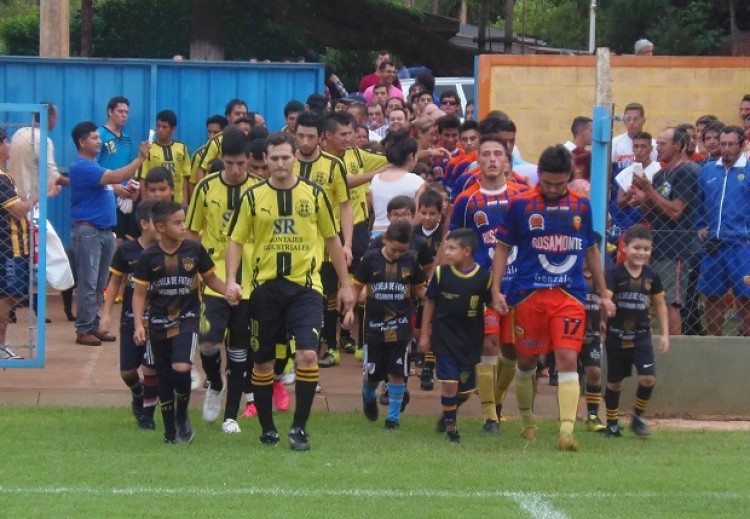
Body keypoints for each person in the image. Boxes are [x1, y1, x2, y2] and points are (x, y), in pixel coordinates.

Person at [224, 131, 355, 451]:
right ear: (265, 160)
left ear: (295, 157)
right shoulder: (253, 197)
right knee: (263, 364)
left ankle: (298, 428)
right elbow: (235, 240)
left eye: (286, 157)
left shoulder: (314, 194)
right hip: (264, 290)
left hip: (306, 288)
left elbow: (332, 239)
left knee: (308, 355)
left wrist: (346, 284)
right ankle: (268, 428)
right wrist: (230, 280)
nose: (280, 163)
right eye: (274, 158)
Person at [491, 144, 615, 452]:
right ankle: (527, 422)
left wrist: (604, 293)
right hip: (528, 295)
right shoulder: (520, 205)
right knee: (526, 360)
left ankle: (566, 432)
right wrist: (495, 289)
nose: (553, 189)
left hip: (569, 295)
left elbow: (591, 249)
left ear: (569, 178)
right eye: (547, 183)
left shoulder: (581, 206)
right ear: (539, 176)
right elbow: (503, 247)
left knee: (568, 357)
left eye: (560, 184)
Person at [186, 127, 267, 434]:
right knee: (208, 342)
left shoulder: (260, 188)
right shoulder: (205, 187)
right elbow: (192, 232)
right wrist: (191, 271)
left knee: (239, 351)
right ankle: (214, 383)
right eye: (229, 163)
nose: (235, 170)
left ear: (249, 159)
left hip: (250, 281)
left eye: (240, 163)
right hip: (213, 278)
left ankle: (230, 416)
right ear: (221, 158)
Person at [132, 201, 227, 444]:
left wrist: (228, 291)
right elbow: (139, 294)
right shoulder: (148, 257)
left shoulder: (194, 249)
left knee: (182, 368)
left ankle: (182, 415)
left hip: (188, 319)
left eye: (184, 221)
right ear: (161, 227)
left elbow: (211, 279)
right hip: (158, 322)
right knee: (164, 377)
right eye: (177, 223)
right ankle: (169, 431)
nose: (184, 227)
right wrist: (139, 325)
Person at [449, 135, 526, 433]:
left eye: (498, 154)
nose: (492, 159)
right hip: (482, 285)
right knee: (489, 343)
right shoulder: (466, 200)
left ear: (507, 161)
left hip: (517, 284)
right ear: (478, 160)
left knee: (512, 350)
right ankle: (490, 415)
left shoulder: (522, 196)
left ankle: (498, 398)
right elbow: (454, 240)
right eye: (486, 154)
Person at [69, 121, 149, 346]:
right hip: (89, 232)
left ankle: (92, 325)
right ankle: (84, 328)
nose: (99, 142)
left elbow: (110, 184)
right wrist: (140, 159)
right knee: (89, 281)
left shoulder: (93, 166)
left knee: (99, 281)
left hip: (102, 231)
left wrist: (122, 190)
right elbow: (114, 177)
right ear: (82, 142)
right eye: (94, 138)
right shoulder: (82, 166)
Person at [346, 219, 426, 429]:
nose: (398, 254)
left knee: (397, 373)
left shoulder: (411, 261)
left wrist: (435, 297)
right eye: (394, 249)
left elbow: (419, 289)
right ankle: (368, 396)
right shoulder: (370, 259)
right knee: (373, 375)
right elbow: (356, 287)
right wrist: (349, 310)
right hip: (374, 326)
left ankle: (393, 419)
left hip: (401, 325)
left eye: (403, 251)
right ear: (385, 239)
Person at [419, 228, 491, 442]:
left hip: (470, 341)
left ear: (466, 251)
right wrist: (425, 334)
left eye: (452, 248)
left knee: (465, 390)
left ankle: (449, 410)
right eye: (446, 247)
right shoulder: (441, 274)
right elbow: (430, 302)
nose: (446, 252)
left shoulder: (483, 277)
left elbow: (491, 303)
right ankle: (452, 428)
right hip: (444, 337)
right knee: (449, 382)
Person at [294, 111, 353, 367]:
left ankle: (331, 347)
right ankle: (295, 349)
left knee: (328, 296)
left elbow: (345, 205)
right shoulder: (286, 162)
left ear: (320, 137)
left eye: (310, 137)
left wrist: (347, 243)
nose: (305, 142)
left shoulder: (333, 165)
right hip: (295, 244)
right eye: (300, 136)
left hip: (327, 244)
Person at [629, 126, 699, 335]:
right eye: (657, 143)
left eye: (662, 144)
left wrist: (649, 189)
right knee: (659, 299)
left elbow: (676, 211)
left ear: (678, 146)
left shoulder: (687, 171)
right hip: (658, 245)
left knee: (671, 302)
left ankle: (676, 348)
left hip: (675, 247)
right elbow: (651, 214)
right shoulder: (660, 174)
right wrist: (643, 196)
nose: (657, 148)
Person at [603, 225, 669, 438]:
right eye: (636, 248)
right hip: (616, 336)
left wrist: (665, 335)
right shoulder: (614, 273)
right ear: (624, 247)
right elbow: (606, 297)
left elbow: (660, 304)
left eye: (646, 249)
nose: (641, 253)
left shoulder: (652, 275)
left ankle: (638, 417)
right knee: (615, 382)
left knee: (648, 378)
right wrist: (606, 305)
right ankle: (612, 423)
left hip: (641, 336)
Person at [99, 200, 159, 430]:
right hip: (130, 320)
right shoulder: (126, 250)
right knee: (127, 371)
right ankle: (138, 391)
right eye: (157, 221)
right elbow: (115, 282)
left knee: (151, 368)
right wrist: (106, 313)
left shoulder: (167, 250)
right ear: (144, 224)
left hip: (157, 320)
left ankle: (148, 414)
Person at [696, 125, 750, 336]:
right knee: (712, 296)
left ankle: (746, 344)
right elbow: (699, 203)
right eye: (723, 144)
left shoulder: (748, 170)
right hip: (713, 245)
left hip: (742, 245)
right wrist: (700, 225)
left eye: (731, 144)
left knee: (746, 296)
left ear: (742, 145)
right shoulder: (708, 170)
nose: (726, 149)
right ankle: (714, 343)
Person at [0, 128, 34, 361]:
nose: (10, 146)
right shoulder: (1, 178)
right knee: (7, 297)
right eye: (7, 142)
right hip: (8, 248)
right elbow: (17, 209)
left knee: (14, 295)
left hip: (14, 246)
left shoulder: (5, 175)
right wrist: (37, 196)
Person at [97, 96, 140, 242]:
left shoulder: (127, 138)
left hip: (125, 200)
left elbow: (130, 167)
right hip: (106, 199)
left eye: (126, 112)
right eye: (120, 111)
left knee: (126, 241)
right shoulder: (99, 135)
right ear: (110, 112)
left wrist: (133, 187)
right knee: (112, 242)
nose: (124, 115)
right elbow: (93, 168)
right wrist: (112, 186)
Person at [369, 130, 425, 235]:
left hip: (377, 233)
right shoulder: (417, 181)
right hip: (402, 234)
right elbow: (417, 216)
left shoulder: (376, 178)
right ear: (411, 157)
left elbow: (375, 210)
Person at [8, 102, 68, 200]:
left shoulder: (19, 133)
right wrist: (74, 182)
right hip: (29, 200)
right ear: (51, 118)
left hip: (10, 197)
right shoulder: (43, 140)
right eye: (55, 117)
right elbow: (51, 175)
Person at [136, 110, 190, 204]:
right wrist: (145, 202)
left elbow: (185, 176)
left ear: (173, 129)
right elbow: (142, 178)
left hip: (177, 201)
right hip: (155, 202)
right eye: (158, 126)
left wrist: (185, 200)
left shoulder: (182, 148)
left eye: (164, 127)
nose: (160, 130)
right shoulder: (148, 149)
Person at [197, 99, 249, 182]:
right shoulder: (216, 140)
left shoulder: (250, 138)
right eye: (237, 114)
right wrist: (204, 187)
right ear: (228, 117)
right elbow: (201, 169)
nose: (241, 117)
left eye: (244, 114)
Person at [186, 115, 228, 203]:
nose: (211, 136)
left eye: (216, 133)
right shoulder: (199, 154)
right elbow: (192, 183)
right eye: (209, 132)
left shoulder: (231, 152)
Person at [611, 103, 657, 170]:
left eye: (636, 119)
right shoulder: (614, 143)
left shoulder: (654, 145)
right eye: (628, 119)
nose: (631, 122)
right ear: (624, 121)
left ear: (643, 121)